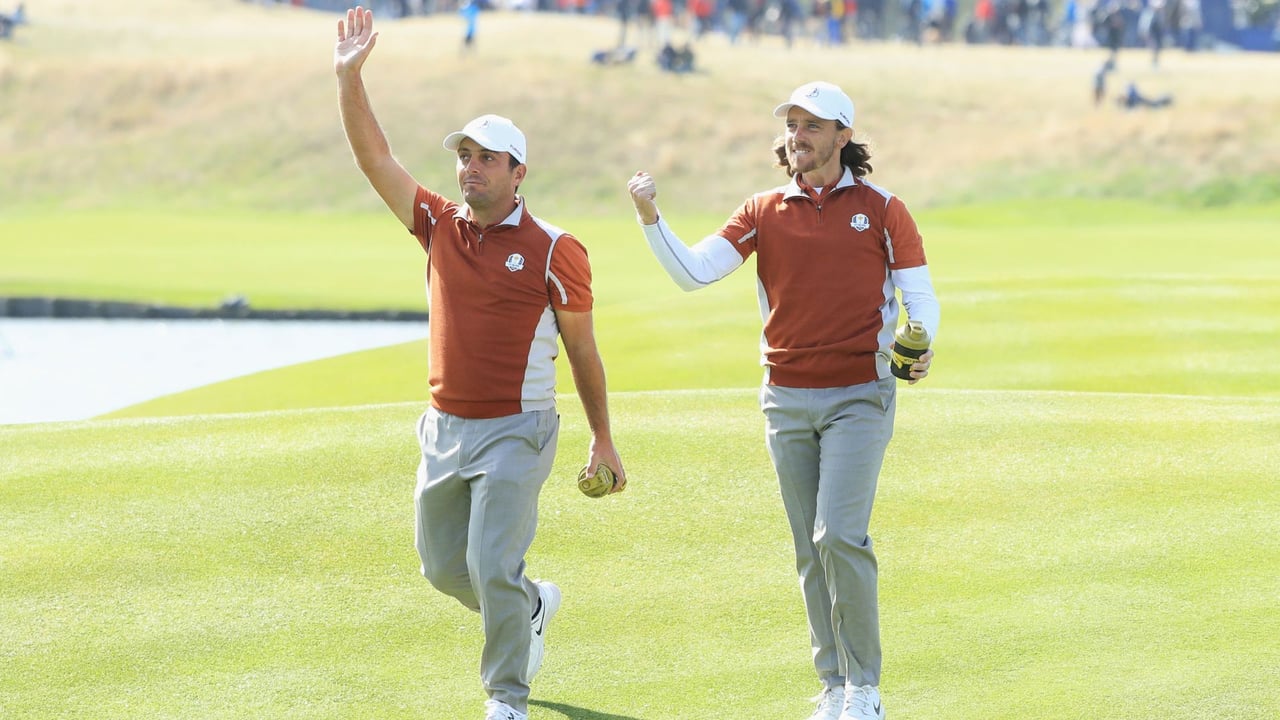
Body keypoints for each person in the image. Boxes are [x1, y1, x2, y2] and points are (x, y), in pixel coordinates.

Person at [333, 8, 627, 720]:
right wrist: (349, 79)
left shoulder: (558, 248)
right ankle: (531, 606)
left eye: (486, 158)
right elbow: (376, 158)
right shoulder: (436, 223)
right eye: (464, 156)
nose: (470, 168)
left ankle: (507, 698)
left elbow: (583, 349)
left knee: (492, 564)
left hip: (517, 428)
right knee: (444, 569)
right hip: (444, 427)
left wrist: (602, 437)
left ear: (518, 171)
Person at [626, 81, 938, 720]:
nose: (798, 136)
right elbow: (695, 272)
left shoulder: (883, 209)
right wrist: (651, 218)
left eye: (813, 126)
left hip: (859, 393)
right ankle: (832, 687)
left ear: (843, 137)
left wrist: (922, 341)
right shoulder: (763, 209)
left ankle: (866, 689)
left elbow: (919, 295)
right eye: (792, 125)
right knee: (808, 545)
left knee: (838, 534)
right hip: (786, 398)